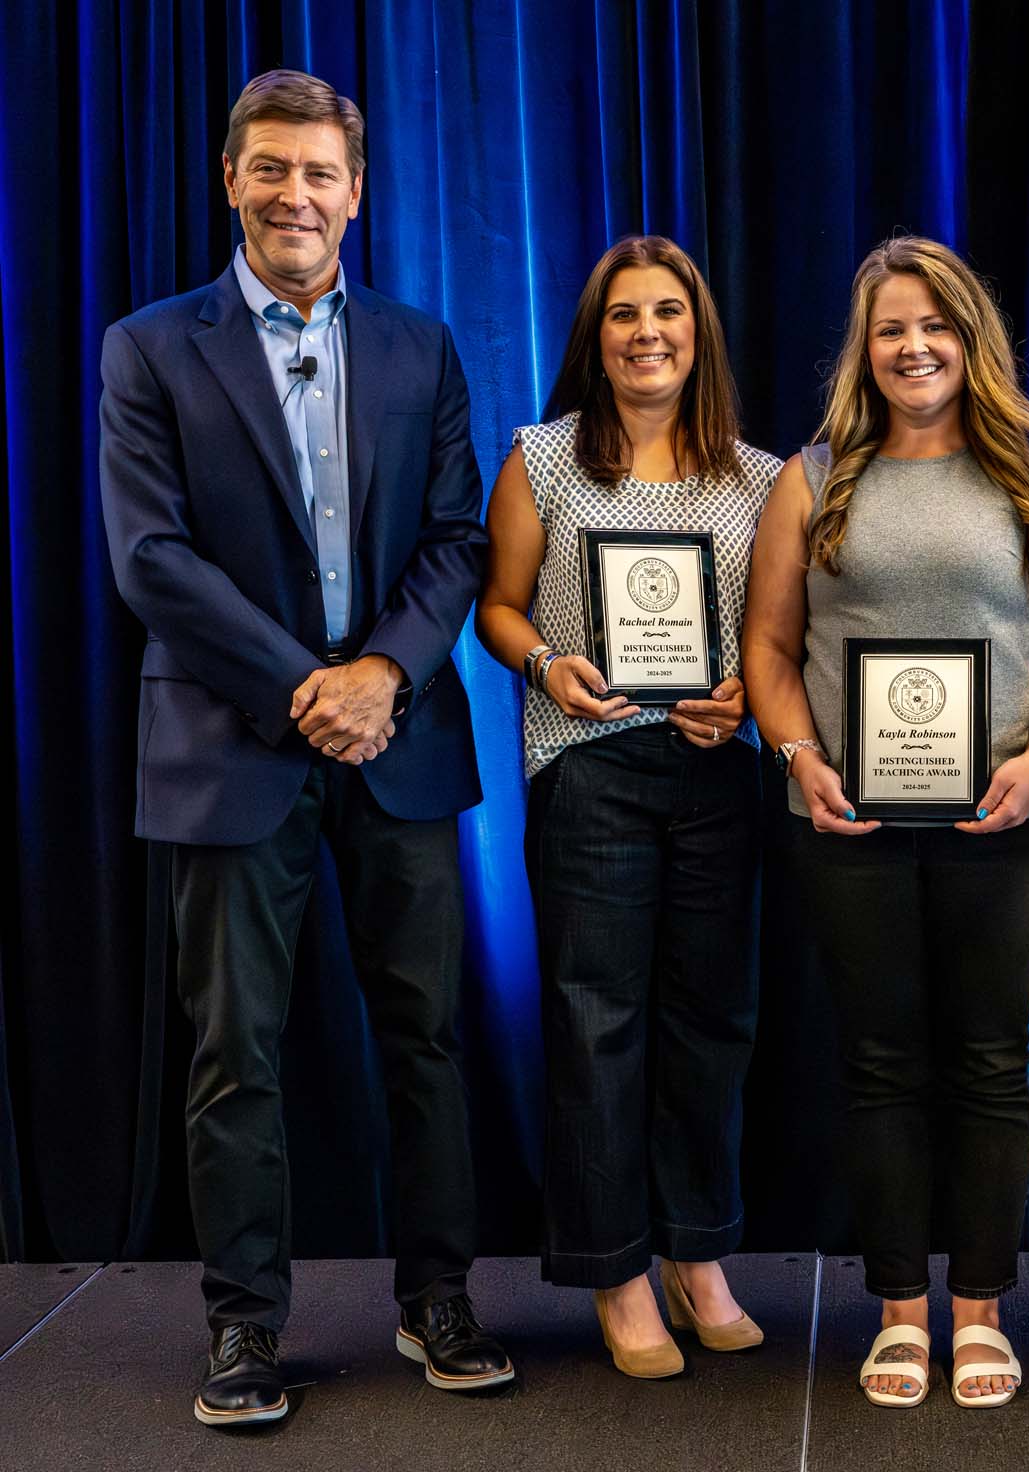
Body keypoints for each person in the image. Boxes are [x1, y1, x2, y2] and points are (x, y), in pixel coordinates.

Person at [97, 69, 512, 1427]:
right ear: (232, 180)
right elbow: (152, 560)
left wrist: (382, 672)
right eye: (271, 169)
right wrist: (307, 689)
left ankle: (437, 1299)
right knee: (238, 1052)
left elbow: (458, 537)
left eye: (320, 172)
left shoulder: (419, 346)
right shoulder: (150, 348)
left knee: (427, 1039)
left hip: (399, 734)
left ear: (356, 190)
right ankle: (243, 1328)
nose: (295, 194)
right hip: (233, 745)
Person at [742, 236, 1029, 1409]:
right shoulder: (813, 474)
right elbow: (771, 647)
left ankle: (983, 1305)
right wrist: (800, 760)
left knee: (995, 1061)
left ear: (972, 342)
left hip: (1007, 819)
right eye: (892, 328)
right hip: (849, 824)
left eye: (936, 326)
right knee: (881, 1061)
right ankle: (900, 1306)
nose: (914, 347)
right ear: (866, 347)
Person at [475, 235, 776, 1378]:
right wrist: (548, 663)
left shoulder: (758, 474)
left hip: (714, 773)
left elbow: (771, 637)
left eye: (668, 312)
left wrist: (748, 690)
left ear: (699, 333)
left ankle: (700, 1256)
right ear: (593, 336)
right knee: (599, 1019)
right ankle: (615, 1271)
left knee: (713, 1021)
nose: (646, 332)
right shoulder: (542, 459)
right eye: (622, 315)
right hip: (588, 762)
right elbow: (500, 607)